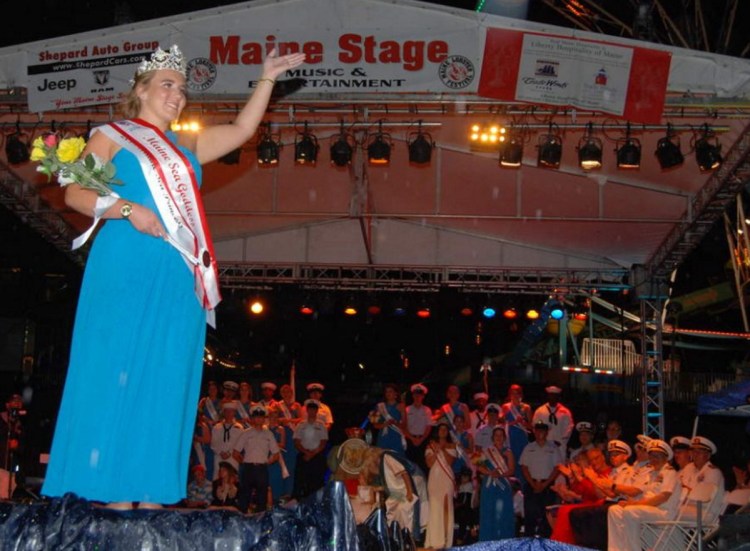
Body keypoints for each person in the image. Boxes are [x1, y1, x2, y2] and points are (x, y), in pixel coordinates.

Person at [40, 44, 305, 509]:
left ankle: (151, 493)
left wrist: (266, 78)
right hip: (126, 262)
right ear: (139, 91)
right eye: (167, 84)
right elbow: (76, 195)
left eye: (182, 89)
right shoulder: (113, 135)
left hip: (177, 273)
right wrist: (127, 209)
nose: (177, 95)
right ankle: (110, 492)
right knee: (116, 371)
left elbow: (244, 129)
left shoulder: (187, 145)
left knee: (167, 378)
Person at [607, 439, 681, 551]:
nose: (654, 459)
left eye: (658, 456)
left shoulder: (669, 472)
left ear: (666, 458)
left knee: (631, 511)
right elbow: (644, 494)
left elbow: (663, 497)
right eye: (652, 456)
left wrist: (634, 504)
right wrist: (629, 502)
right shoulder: (650, 474)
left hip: (663, 511)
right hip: (647, 509)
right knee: (614, 509)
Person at [520, 421, 563, 537]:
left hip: (548, 485)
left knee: (547, 518)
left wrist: (545, 484)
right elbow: (524, 467)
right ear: (534, 431)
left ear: (547, 432)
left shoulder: (553, 448)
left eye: (543, 430)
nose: (540, 433)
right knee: (530, 516)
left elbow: (557, 468)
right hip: (531, 484)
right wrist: (533, 484)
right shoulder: (529, 447)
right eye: (537, 430)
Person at [233, 405, 280, 513]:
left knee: (262, 498)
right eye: (256, 417)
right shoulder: (246, 433)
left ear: (264, 419)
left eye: (261, 417)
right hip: (248, 468)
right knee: (244, 498)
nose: (258, 419)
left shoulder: (269, 434)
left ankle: (261, 523)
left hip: (262, 469)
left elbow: (276, 454)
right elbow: (235, 453)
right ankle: (241, 521)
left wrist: (269, 461)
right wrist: (243, 462)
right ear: (252, 418)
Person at [476, 426, 516, 541]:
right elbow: (478, 466)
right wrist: (490, 472)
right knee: (488, 513)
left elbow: (511, 470)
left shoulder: (508, 452)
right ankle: (487, 542)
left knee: (502, 513)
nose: (498, 437)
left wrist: (500, 475)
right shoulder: (486, 451)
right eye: (496, 435)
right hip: (489, 485)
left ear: (504, 438)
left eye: (501, 435)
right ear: (492, 438)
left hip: (503, 486)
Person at [424, 421, 458, 549]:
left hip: (447, 479)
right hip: (434, 478)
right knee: (434, 507)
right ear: (437, 431)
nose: (443, 431)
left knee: (446, 507)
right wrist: (436, 449)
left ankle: (445, 540)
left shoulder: (452, 446)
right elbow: (429, 464)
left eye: (445, 429)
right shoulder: (430, 445)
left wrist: (443, 448)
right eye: (441, 429)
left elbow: (449, 461)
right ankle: (434, 540)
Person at [293, 399, 329, 498]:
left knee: (317, 482)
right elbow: (296, 441)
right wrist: (306, 453)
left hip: (317, 456)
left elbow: (323, 442)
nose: (312, 411)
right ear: (307, 410)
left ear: (317, 411)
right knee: (300, 482)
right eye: (310, 409)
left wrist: (312, 454)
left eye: (314, 409)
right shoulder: (300, 425)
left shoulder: (321, 425)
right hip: (303, 455)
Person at [502, 384, 532, 484]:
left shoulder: (526, 407)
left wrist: (523, 423)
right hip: (510, 438)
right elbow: (501, 424)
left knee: (522, 464)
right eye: (513, 393)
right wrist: (514, 422)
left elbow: (531, 427)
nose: (515, 395)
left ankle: (522, 490)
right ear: (509, 394)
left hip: (522, 438)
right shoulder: (506, 407)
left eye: (517, 393)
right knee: (510, 462)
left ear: (521, 394)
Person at [276, 383, 301, 497]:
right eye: (284, 392)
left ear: (292, 393)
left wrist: (291, 421)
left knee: (292, 465)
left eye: (289, 392)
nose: (287, 394)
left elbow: (301, 419)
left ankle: (290, 493)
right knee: (282, 463)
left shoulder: (297, 405)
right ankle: (281, 492)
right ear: (281, 393)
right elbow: (273, 418)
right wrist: (282, 420)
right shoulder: (277, 405)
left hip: (293, 436)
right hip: (282, 435)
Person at [370, 383, 407, 454]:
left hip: (396, 436)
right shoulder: (380, 406)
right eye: (386, 391)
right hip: (383, 437)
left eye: (390, 391)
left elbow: (404, 425)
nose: (388, 393)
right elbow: (375, 425)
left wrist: (394, 423)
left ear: (395, 393)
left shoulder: (401, 406)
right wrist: (385, 424)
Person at [211, 401, 244, 479]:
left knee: (233, 479)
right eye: (227, 411)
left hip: (233, 458)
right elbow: (213, 443)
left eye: (231, 411)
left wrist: (230, 453)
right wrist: (220, 452)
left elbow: (240, 444)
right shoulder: (217, 427)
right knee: (218, 479)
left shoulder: (239, 428)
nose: (229, 413)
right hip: (219, 457)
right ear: (224, 412)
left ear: (234, 413)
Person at [405, 383, 432, 474]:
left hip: (423, 440)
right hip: (410, 440)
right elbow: (404, 427)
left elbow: (428, 427)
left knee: (423, 465)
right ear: (413, 396)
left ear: (423, 396)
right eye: (415, 395)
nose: (417, 397)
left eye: (419, 395)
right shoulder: (407, 410)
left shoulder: (427, 410)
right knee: (409, 465)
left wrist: (421, 439)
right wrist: (412, 438)